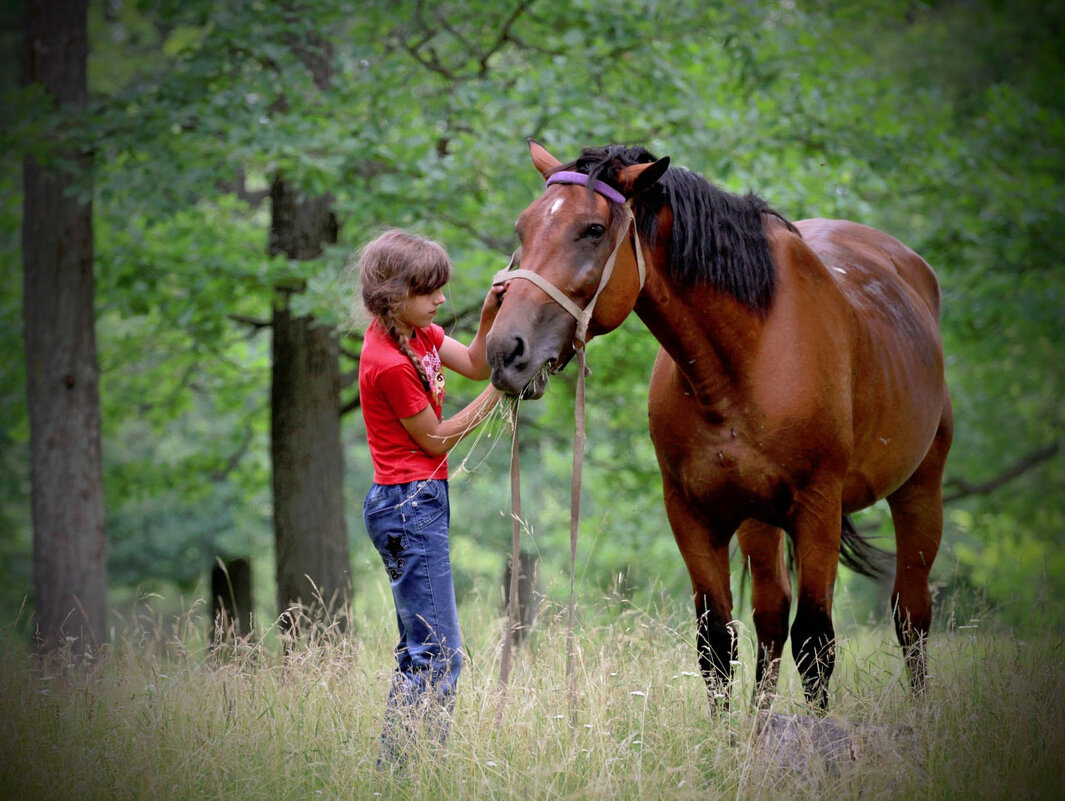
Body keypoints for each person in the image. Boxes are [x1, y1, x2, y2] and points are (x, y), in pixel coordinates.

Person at [355, 228, 504, 767]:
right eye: (430, 290)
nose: (442, 299)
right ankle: (416, 770)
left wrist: (490, 314)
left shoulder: (417, 335)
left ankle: (398, 769)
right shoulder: (389, 363)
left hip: (416, 502)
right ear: (395, 295)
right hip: (407, 506)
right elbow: (436, 437)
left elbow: (476, 364)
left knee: (420, 653)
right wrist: (502, 391)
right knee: (441, 657)